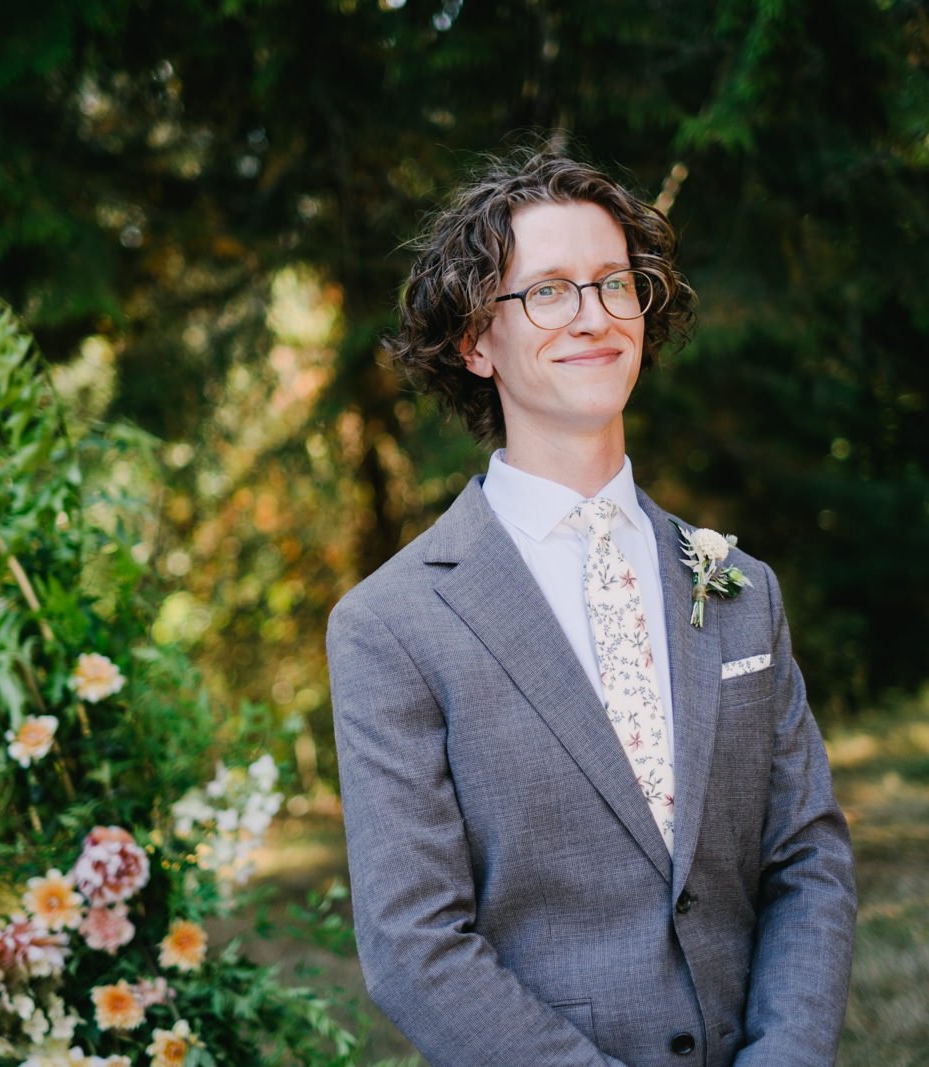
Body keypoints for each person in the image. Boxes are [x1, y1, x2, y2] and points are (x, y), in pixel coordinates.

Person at [326, 148, 856, 1067]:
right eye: (548, 292)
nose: (593, 315)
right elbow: (413, 947)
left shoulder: (737, 585)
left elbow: (807, 858)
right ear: (475, 342)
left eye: (615, 283)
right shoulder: (393, 624)